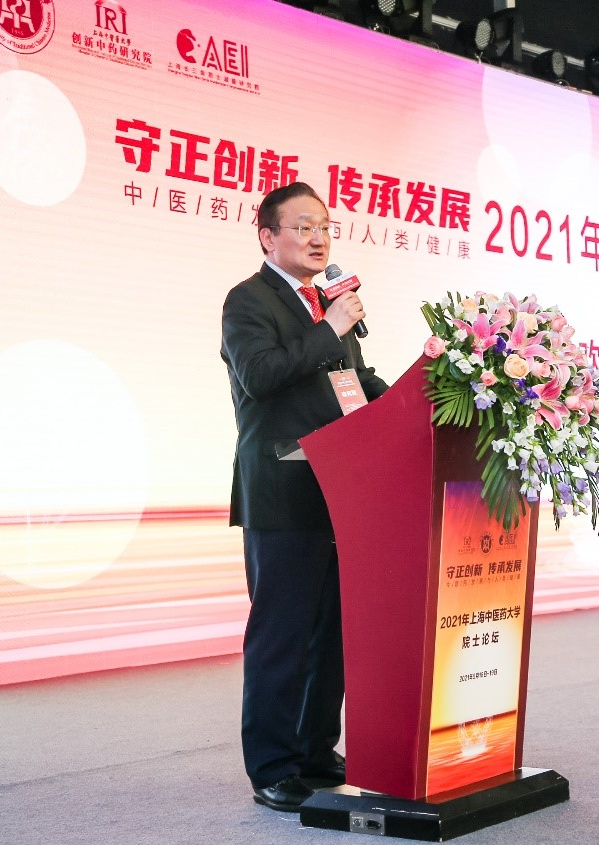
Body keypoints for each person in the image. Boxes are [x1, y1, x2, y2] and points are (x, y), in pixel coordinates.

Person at [220, 181, 387, 812]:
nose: (319, 238)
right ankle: (272, 766)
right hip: (282, 490)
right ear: (268, 237)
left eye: (325, 226)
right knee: (282, 633)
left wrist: (427, 393)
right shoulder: (248, 300)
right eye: (304, 227)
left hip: (339, 489)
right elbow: (260, 376)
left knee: (329, 633)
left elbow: (354, 382)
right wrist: (331, 327)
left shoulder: (328, 303)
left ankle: (316, 751)